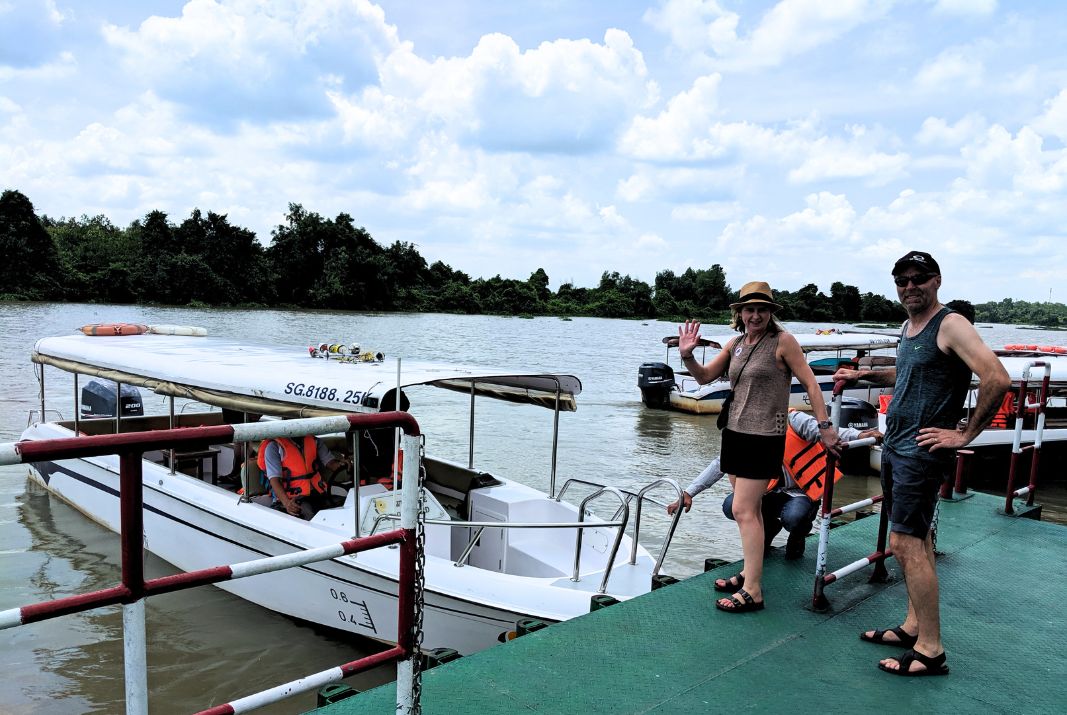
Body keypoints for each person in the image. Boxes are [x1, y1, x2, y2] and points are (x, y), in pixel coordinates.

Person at [832, 250, 1009, 676]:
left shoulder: (950, 324)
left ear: (937, 280)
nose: (910, 286)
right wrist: (861, 377)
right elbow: (907, 373)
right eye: (902, 280)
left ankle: (931, 649)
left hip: (920, 454)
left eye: (919, 278)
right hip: (896, 447)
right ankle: (914, 626)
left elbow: (997, 378)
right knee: (918, 541)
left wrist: (965, 434)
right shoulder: (911, 327)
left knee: (905, 544)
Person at [678, 280, 838, 614]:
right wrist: (687, 355)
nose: (755, 315)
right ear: (739, 313)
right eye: (749, 309)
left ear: (770, 312)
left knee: (742, 510)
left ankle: (753, 590)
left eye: (761, 309)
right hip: (734, 432)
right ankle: (750, 575)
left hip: (764, 436)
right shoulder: (736, 344)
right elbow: (705, 377)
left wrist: (824, 426)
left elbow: (810, 383)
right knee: (752, 511)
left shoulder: (783, 342)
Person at [667, 411, 882, 567]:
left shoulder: (793, 420)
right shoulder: (745, 430)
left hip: (799, 492)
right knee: (731, 505)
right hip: (767, 493)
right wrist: (688, 492)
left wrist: (859, 436)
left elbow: (825, 431)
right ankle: (769, 527)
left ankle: (799, 532)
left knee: (794, 517)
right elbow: (720, 463)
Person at [257, 433, 348, 520]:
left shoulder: (314, 441)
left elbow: (331, 463)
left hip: (317, 494)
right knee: (310, 516)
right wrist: (287, 503)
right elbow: (275, 480)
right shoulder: (274, 446)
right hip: (293, 499)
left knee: (347, 504)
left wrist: (343, 464)